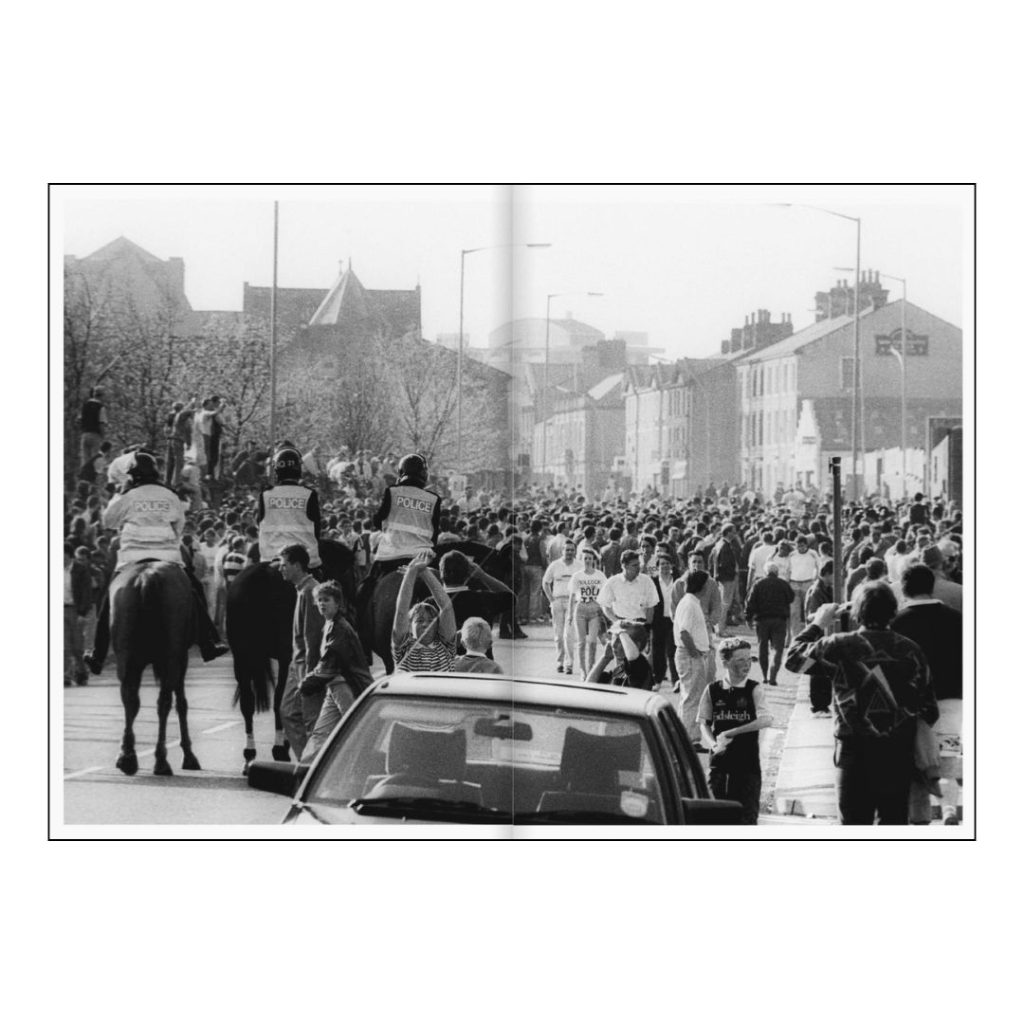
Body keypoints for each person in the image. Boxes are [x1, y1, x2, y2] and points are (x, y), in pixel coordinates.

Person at [786, 581, 938, 825]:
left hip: (852, 753)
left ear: (856, 612)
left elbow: (794, 660)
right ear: (893, 611)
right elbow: (929, 709)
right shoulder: (911, 651)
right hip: (897, 755)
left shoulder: (839, 645)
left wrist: (817, 624)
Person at [83, 452, 229, 674]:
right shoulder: (169, 495)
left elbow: (108, 521)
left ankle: (98, 654)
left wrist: (118, 492)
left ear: (132, 476)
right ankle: (209, 642)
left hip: (131, 558)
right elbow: (179, 525)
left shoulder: (128, 496)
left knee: (107, 602)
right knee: (195, 591)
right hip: (167, 556)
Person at [891, 564, 963, 825]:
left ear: (904, 588)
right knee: (949, 756)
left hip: (913, 705)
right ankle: (949, 809)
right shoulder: (958, 619)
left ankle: (918, 820)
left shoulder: (897, 622)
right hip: (952, 699)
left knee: (917, 761)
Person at [698, 637, 773, 825]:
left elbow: (765, 720)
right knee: (714, 819)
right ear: (725, 663)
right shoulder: (712, 690)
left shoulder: (754, 689)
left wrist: (733, 732)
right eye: (740, 660)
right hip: (719, 765)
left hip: (747, 766)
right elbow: (704, 723)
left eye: (749, 659)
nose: (747, 664)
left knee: (746, 820)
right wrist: (714, 744)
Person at [298, 580, 374, 764]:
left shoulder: (339, 627)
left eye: (327, 600)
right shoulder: (331, 624)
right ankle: (305, 771)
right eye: (320, 600)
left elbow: (329, 664)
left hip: (347, 686)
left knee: (354, 731)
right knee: (321, 732)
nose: (322, 603)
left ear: (338, 603)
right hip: (335, 687)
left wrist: (306, 684)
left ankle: (361, 769)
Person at [278, 544, 326, 762]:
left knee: (310, 720)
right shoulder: (302, 589)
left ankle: (310, 766)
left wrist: (308, 675)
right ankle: (307, 762)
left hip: (304, 668)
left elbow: (312, 638)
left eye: (284, 565)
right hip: (295, 665)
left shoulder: (310, 591)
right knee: (288, 712)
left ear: (297, 565)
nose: (281, 569)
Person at [370, 453, 441, 576]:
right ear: (424, 474)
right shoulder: (434, 499)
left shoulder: (392, 492)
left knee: (367, 586)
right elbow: (434, 535)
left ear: (401, 472)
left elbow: (377, 521)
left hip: (390, 555)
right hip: (422, 557)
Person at [257, 443, 322, 571]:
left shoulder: (265, 495)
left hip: (269, 558)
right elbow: (317, 529)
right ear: (298, 470)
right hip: (305, 559)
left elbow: (259, 524)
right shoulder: (309, 494)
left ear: (276, 470)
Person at [391, 550, 458, 673]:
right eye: (420, 620)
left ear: (438, 625)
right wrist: (411, 573)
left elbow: (446, 607)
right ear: (410, 627)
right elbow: (402, 609)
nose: (426, 624)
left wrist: (424, 571)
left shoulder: (446, 646)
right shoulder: (403, 648)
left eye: (431, 620)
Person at [673, 569, 712, 748]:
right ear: (701, 586)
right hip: (689, 655)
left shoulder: (690, 602)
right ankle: (690, 739)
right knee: (692, 697)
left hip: (690, 654)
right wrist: (695, 653)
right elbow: (684, 632)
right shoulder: (689, 604)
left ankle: (686, 736)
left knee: (689, 695)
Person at [744, 562, 794, 686]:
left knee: (762, 648)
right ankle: (773, 676)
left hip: (762, 620)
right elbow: (791, 597)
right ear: (777, 572)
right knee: (778, 649)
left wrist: (748, 618)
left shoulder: (758, 584)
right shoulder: (783, 584)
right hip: (779, 620)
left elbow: (750, 602)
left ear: (766, 572)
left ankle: (764, 676)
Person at [566, 547, 608, 679]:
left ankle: (591, 668)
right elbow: (572, 596)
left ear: (593, 560)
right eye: (585, 558)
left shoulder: (599, 575)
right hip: (581, 607)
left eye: (590, 558)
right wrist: (570, 614)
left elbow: (605, 593)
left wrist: (604, 610)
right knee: (581, 641)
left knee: (592, 641)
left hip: (595, 608)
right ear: (581, 559)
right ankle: (583, 670)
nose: (587, 561)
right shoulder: (577, 576)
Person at [596, 548, 658, 634]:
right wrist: (617, 622)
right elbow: (605, 605)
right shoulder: (613, 582)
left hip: (640, 625)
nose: (638, 568)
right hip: (621, 626)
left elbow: (651, 606)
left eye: (639, 564)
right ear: (624, 566)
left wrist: (647, 626)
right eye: (634, 565)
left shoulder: (646, 581)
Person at [542, 536, 580, 673]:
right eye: (567, 550)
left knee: (568, 634)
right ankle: (559, 662)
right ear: (562, 551)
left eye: (572, 550)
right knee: (558, 635)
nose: (569, 552)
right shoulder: (555, 565)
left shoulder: (579, 566)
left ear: (575, 552)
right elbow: (545, 582)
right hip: (557, 601)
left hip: (573, 603)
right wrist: (551, 600)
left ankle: (569, 664)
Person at [803, 558, 836, 716]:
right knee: (818, 673)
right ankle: (819, 706)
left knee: (824, 671)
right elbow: (811, 615)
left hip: (823, 635)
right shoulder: (817, 590)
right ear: (828, 573)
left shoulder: (826, 588)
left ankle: (823, 705)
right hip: (818, 636)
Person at [585, 621, 654, 690]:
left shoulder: (642, 666)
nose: (614, 644)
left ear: (636, 645)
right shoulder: (619, 670)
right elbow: (589, 685)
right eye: (614, 638)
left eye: (620, 640)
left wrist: (621, 631)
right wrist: (605, 658)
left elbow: (632, 656)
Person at [64, 543, 91, 686]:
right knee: (63, 646)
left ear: (68, 555)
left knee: (77, 647)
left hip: (75, 610)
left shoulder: (80, 570)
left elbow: (86, 592)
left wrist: (82, 613)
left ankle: (81, 672)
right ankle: (65, 675)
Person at [79, 385, 108, 466]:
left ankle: (85, 477)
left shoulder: (85, 405)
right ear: (101, 396)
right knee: (95, 461)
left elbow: (79, 420)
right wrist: (103, 437)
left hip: (85, 435)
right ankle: (94, 478)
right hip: (95, 435)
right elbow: (101, 423)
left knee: (85, 461)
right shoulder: (100, 407)